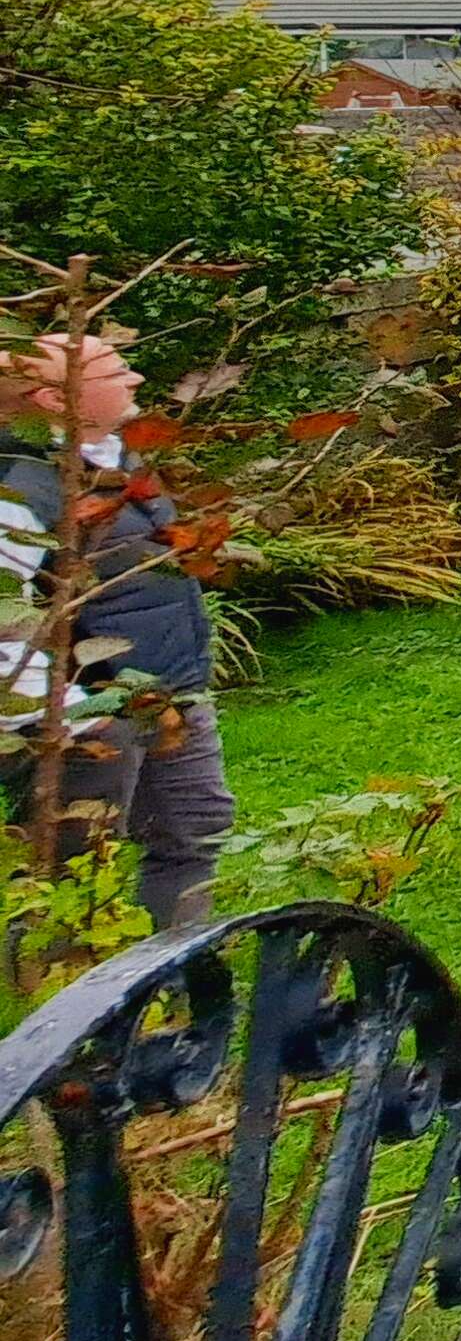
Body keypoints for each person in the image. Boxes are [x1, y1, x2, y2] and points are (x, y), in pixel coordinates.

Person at [0, 330, 234, 932]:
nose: (134, 377)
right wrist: (74, 716)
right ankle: (62, 987)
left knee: (193, 834)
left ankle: (172, 975)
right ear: (55, 399)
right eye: (114, 369)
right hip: (83, 720)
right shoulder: (19, 491)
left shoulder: (121, 459)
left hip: (172, 692)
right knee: (71, 874)